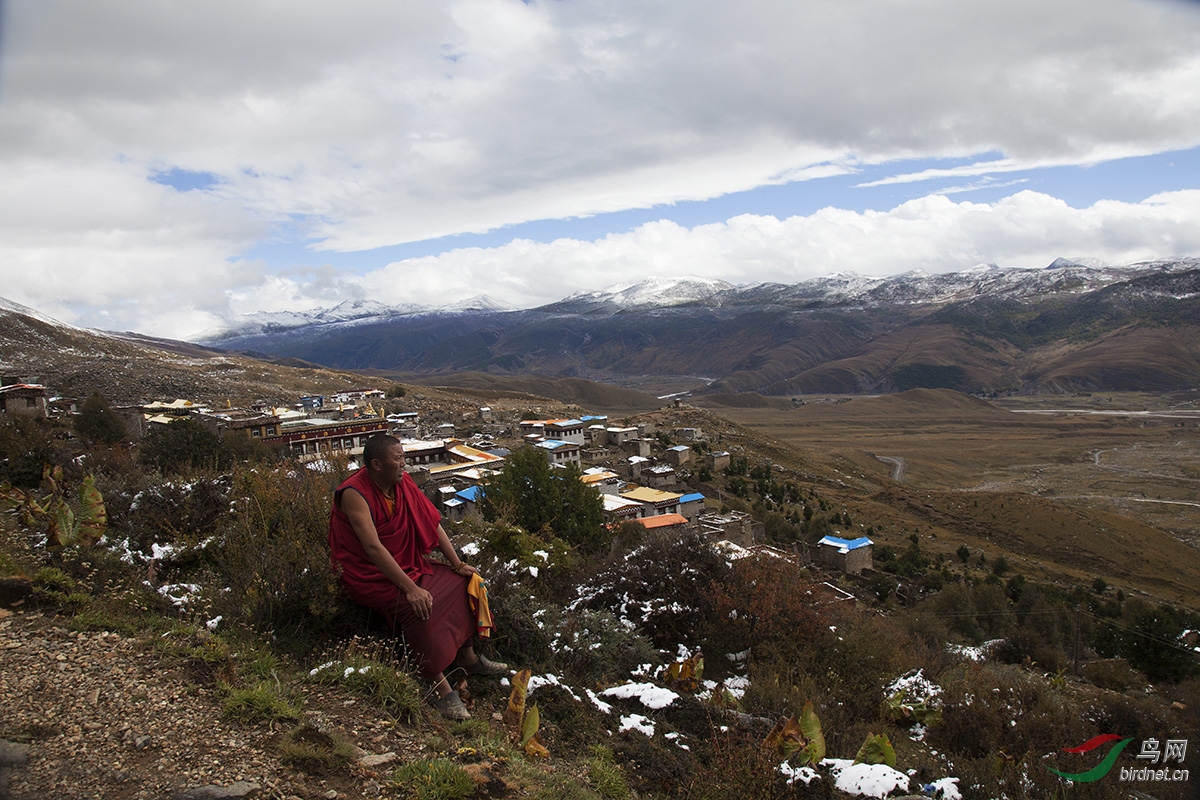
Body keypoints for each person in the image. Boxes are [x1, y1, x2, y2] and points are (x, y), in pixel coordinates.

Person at [328, 433, 507, 720]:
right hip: (367, 575)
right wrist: (410, 588)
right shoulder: (354, 494)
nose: (404, 464)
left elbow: (431, 520)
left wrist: (457, 563)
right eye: (397, 458)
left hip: (403, 564)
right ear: (376, 464)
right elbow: (373, 547)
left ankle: (467, 657)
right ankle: (439, 687)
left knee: (463, 582)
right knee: (418, 607)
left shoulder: (401, 483)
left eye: (404, 457)